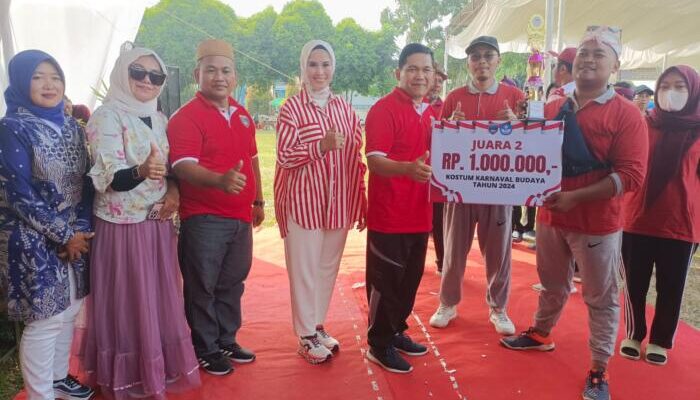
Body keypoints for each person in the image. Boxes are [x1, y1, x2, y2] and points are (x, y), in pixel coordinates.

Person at [500, 27, 648, 400]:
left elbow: (631, 175)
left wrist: (576, 197)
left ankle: (599, 368)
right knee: (551, 284)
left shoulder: (627, 115)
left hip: (597, 224)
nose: (588, 59)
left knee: (600, 297)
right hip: (551, 218)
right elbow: (528, 147)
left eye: (599, 54)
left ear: (615, 65)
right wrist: (507, 129)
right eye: (583, 53)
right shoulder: (553, 106)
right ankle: (540, 332)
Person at [77, 43, 200, 399]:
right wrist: (144, 171)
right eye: (138, 72)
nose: (147, 80)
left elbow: (172, 167)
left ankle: (154, 369)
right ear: (122, 73)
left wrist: (173, 191)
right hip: (122, 227)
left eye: (155, 75)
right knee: (130, 303)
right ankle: (127, 376)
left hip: (157, 223)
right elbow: (110, 177)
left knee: (157, 300)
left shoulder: (159, 117)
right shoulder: (107, 116)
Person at [0, 50, 95, 400]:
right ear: (22, 82)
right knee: (44, 320)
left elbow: (86, 181)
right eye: (38, 77)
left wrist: (81, 229)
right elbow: (18, 193)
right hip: (32, 237)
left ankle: (58, 380)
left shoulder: (72, 126)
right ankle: (41, 394)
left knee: (70, 310)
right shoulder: (11, 128)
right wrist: (65, 234)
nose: (49, 84)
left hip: (75, 234)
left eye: (55, 77)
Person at [168, 39, 263, 376]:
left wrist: (258, 199)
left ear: (235, 76)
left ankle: (226, 340)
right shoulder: (185, 117)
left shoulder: (241, 113)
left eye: (225, 70)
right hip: (204, 218)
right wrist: (220, 181)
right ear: (198, 73)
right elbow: (182, 166)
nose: (219, 77)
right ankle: (205, 348)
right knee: (202, 286)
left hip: (240, 217)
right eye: (211, 70)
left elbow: (252, 159)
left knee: (232, 283)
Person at [274, 40, 367, 364]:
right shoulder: (292, 109)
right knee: (304, 271)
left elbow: (356, 155)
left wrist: (360, 201)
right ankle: (305, 336)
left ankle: (316, 325)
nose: (319, 71)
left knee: (327, 269)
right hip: (304, 203)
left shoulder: (344, 108)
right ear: (304, 68)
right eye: (313, 64)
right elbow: (285, 155)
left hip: (338, 203)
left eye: (325, 65)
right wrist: (320, 147)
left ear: (333, 68)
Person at [429, 36, 524, 336]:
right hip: (461, 190)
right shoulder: (454, 97)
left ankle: (498, 307)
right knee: (454, 249)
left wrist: (517, 124)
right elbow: (440, 143)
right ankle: (448, 303)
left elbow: (530, 143)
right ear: (468, 62)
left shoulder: (515, 96)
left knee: (498, 252)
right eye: (475, 57)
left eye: (488, 56)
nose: (481, 62)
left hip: (499, 188)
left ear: (498, 61)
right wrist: (450, 126)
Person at [620, 65, 699, 366]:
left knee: (671, 287)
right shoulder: (642, 124)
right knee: (633, 284)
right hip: (637, 218)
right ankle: (633, 333)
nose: (671, 92)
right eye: (665, 86)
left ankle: (660, 340)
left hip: (682, 222)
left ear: (693, 91)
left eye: (680, 86)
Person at [363, 43, 435, 374]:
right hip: (390, 216)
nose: (420, 75)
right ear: (399, 73)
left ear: (434, 76)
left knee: (409, 280)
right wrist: (407, 168)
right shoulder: (384, 109)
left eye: (426, 70)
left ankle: (395, 330)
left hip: (421, 214)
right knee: (385, 282)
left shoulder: (432, 112)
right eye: (413, 69)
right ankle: (378, 344)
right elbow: (375, 161)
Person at [429, 63, 448, 274]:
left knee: (440, 220)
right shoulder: (417, 105)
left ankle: (442, 261)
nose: (436, 83)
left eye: (441, 80)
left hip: (439, 173)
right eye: (435, 77)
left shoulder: (447, 106)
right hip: (413, 172)